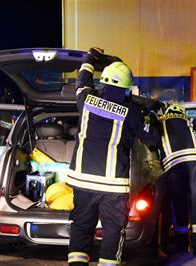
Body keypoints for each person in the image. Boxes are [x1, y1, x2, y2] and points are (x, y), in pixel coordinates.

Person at [66, 48, 160, 265]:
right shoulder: (132, 113)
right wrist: (151, 114)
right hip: (113, 187)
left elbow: (82, 80)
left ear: (104, 83)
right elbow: (152, 138)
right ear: (127, 88)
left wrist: (89, 59)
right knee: (112, 230)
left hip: (82, 182)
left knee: (81, 227)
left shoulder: (86, 100)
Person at [158, 103, 196, 256]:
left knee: (178, 204)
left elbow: (154, 141)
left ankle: (181, 245)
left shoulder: (160, 120)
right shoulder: (190, 121)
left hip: (173, 165)